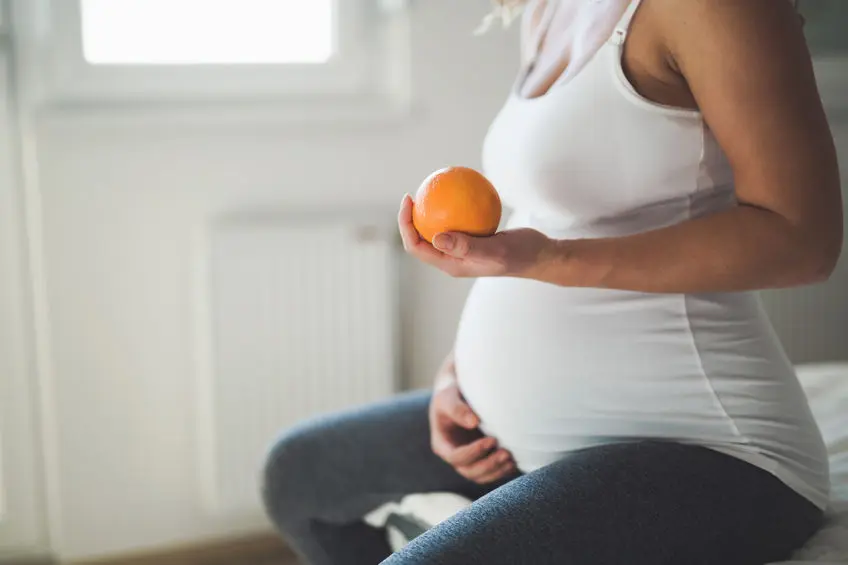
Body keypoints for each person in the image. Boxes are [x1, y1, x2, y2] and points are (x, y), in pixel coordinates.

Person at [262, 0, 843, 563]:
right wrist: (458, 372)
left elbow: (803, 242)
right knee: (299, 476)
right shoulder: (545, 8)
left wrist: (549, 261)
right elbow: (542, 211)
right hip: (520, 440)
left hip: (712, 453)